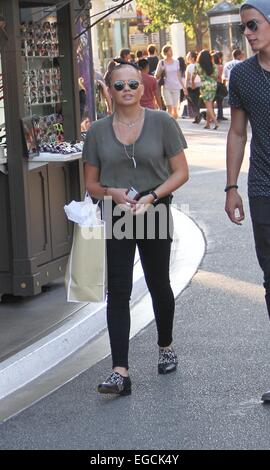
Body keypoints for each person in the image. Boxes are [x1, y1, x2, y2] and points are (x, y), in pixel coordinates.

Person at [83, 62, 189, 396]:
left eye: (133, 84)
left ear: (142, 89)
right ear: (109, 91)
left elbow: (180, 172)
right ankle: (120, 371)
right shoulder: (98, 132)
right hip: (117, 214)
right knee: (118, 290)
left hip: (154, 209)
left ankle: (166, 345)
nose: (127, 89)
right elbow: (91, 184)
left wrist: (154, 196)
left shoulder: (162, 122)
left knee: (159, 283)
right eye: (119, 85)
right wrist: (111, 193)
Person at [225, 0, 270, 402]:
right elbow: (237, 133)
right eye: (243, 28)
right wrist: (230, 186)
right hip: (263, 189)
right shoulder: (240, 75)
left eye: (253, 25)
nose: (248, 33)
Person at [192, 49, 219, 130]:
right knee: (209, 105)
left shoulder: (197, 65)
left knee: (208, 106)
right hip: (213, 85)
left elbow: (193, 76)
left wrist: (193, 83)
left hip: (204, 85)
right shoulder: (212, 64)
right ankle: (207, 124)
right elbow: (216, 75)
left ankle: (216, 122)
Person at [155, 45, 183, 119]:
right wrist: (162, 69)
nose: (171, 52)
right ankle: (169, 124)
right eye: (170, 50)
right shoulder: (161, 62)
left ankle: (174, 123)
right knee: (169, 106)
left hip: (176, 87)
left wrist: (183, 86)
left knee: (175, 108)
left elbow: (179, 75)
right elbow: (156, 76)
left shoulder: (176, 62)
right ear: (165, 52)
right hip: (166, 87)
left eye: (171, 50)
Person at [212, 51, 228, 121]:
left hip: (212, 84)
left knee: (211, 101)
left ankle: (212, 116)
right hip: (219, 84)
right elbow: (222, 76)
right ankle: (220, 115)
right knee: (219, 101)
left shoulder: (212, 67)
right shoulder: (221, 67)